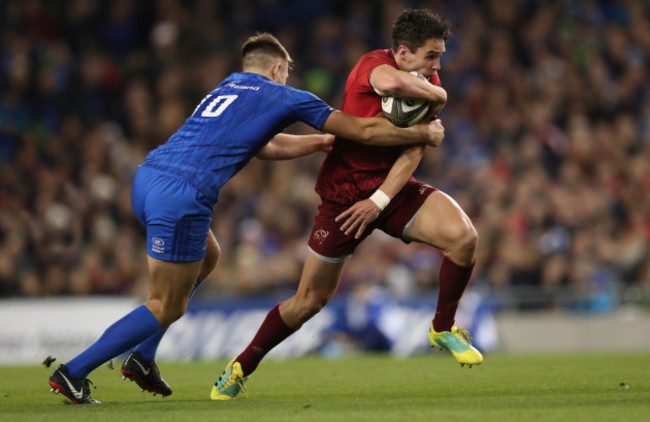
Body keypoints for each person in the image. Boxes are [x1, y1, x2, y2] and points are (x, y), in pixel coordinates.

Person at [46, 32, 445, 405]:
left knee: (209, 258)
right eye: (286, 72)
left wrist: (320, 142)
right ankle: (73, 372)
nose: (287, 78)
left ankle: (143, 359)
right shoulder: (285, 95)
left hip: (149, 178)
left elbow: (263, 146)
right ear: (277, 69)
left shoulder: (226, 87)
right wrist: (422, 134)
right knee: (166, 304)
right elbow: (366, 131)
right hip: (183, 196)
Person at [210, 10, 481, 401]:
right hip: (343, 196)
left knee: (464, 237)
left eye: (440, 57)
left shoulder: (428, 81)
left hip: (390, 190)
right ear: (403, 53)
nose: (438, 66)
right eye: (431, 56)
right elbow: (388, 87)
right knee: (308, 303)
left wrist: (380, 199)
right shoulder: (374, 66)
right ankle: (240, 367)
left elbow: (413, 150)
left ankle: (442, 328)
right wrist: (439, 95)